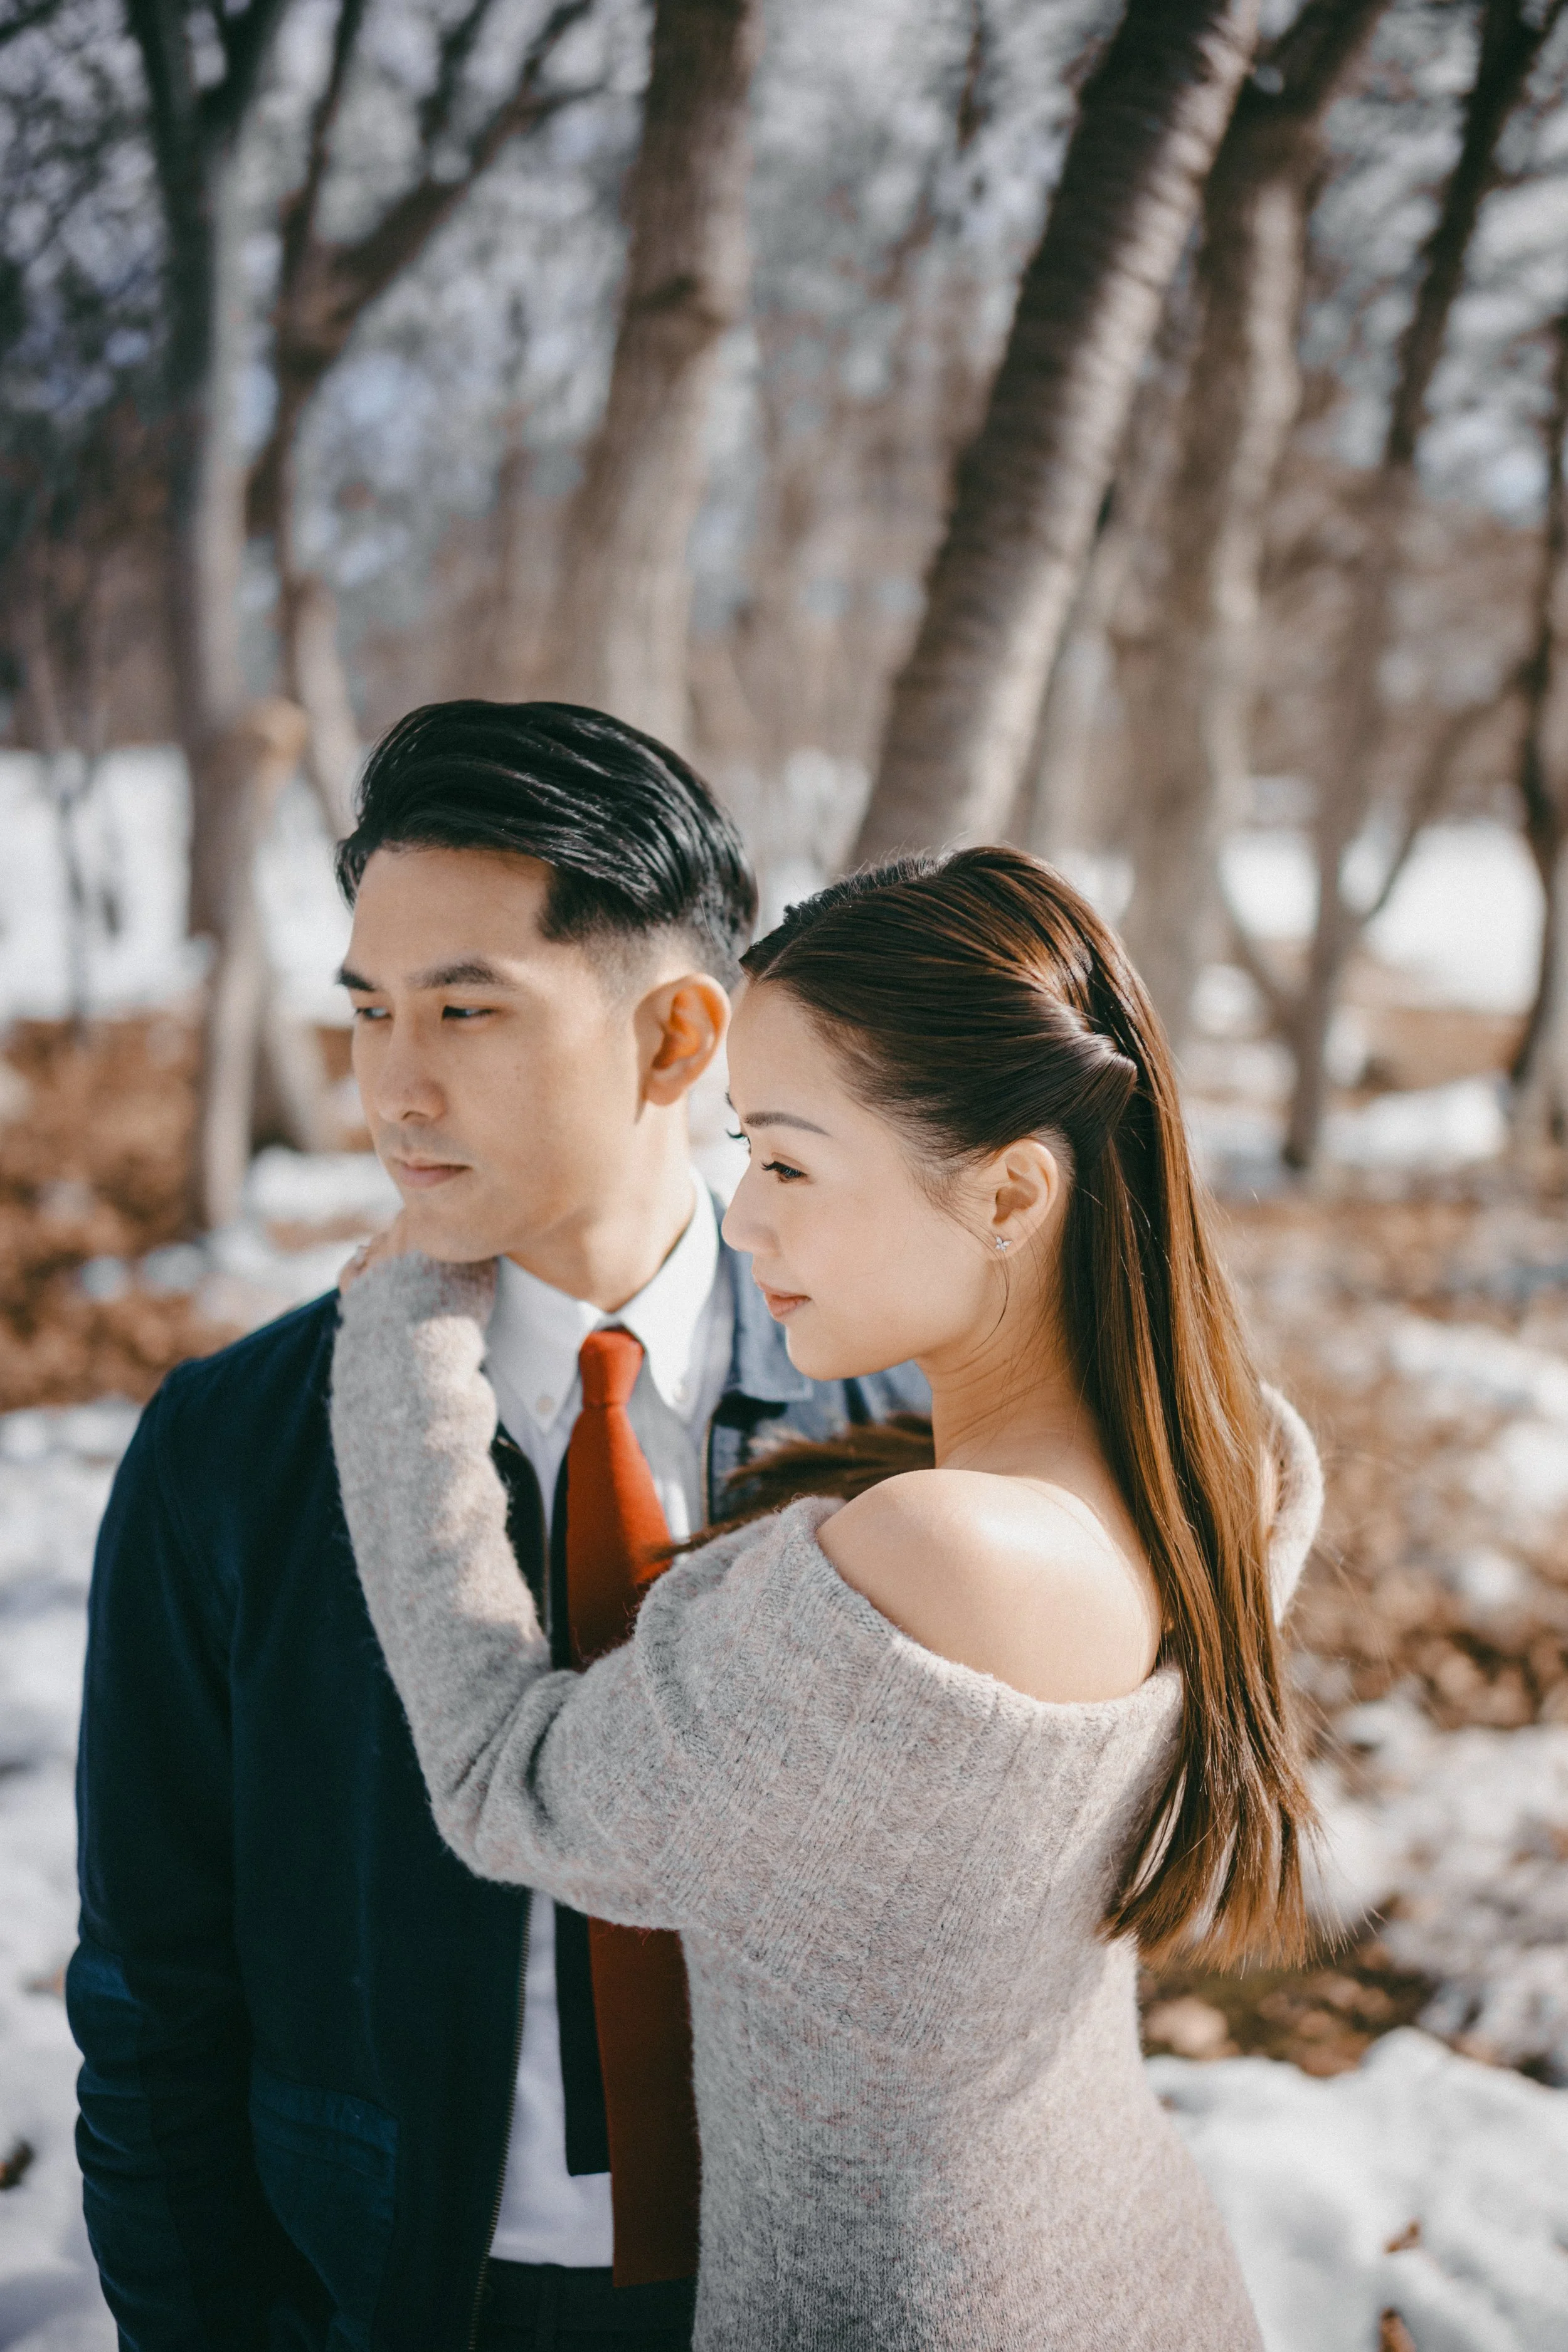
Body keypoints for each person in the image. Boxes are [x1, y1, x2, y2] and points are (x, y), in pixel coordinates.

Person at [330, 844, 1325, 2352]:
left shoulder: (929, 1561)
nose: (742, 1223)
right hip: (1127, 2271)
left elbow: (503, 1783)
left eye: (786, 1162)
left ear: (1007, 1193)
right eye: (738, 1157)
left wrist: (400, 1317)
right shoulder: (1230, 1463)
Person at [68, 701, 924, 2351]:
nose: (393, 1084)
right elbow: (153, 1992)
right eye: (371, 1009)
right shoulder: (231, 1454)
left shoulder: (894, 1422)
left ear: (677, 1042)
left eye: (467, 1007)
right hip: (398, 2293)